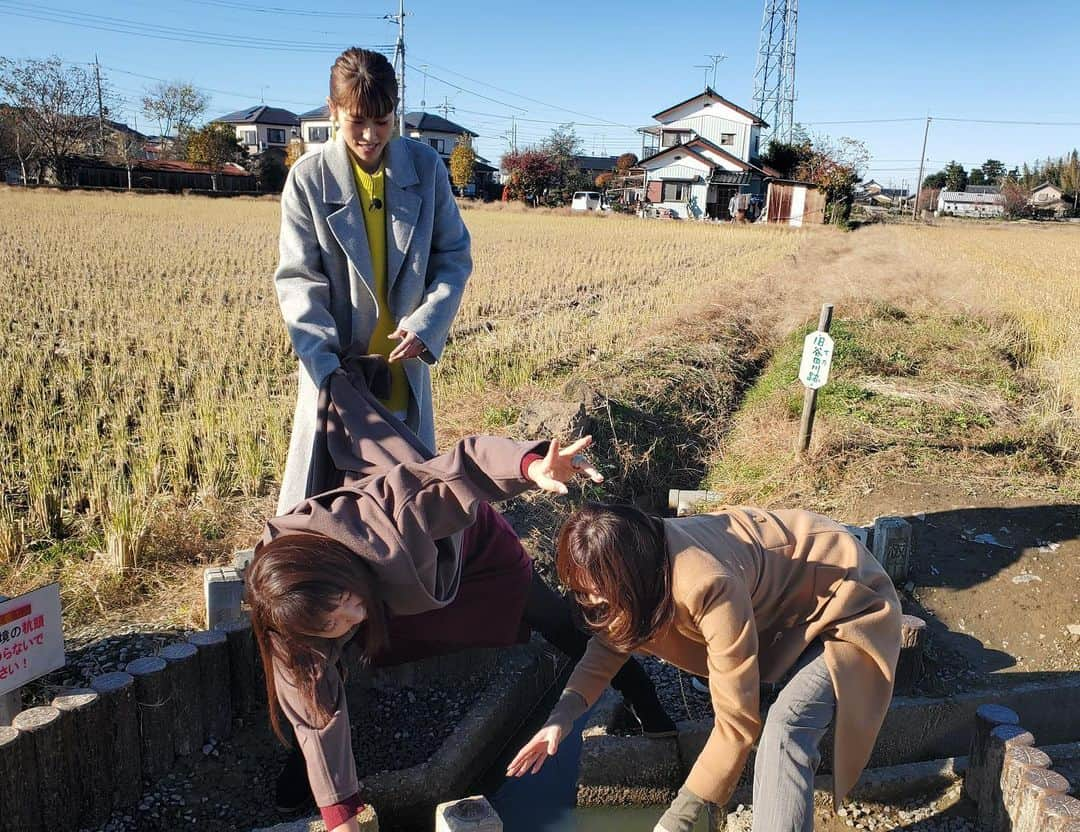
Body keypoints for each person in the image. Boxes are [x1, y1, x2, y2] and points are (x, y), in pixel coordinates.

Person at [246, 377, 677, 832]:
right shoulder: (289, 606)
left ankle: (646, 702)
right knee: (320, 676)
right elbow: (309, 695)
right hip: (392, 588)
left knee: (558, 621)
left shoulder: (390, 515)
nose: (350, 621)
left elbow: (463, 466)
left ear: (344, 575)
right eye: (332, 624)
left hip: (468, 549)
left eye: (347, 606)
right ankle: (307, 781)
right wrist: (342, 814)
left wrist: (530, 466)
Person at [508, 502, 902, 832]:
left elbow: (736, 723)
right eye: (581, 592)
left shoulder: (707, 585)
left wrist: (677, 820)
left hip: (845, 597)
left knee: (787, 726)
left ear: (629, 580)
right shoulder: (639, 559)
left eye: (598, 593)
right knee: (775, 729)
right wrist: (562, 717)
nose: (591, 601)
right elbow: (609, 646)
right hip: (788, 609)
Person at [274, 46, 472, 513]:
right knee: (333, 508)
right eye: (356, 121)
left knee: (406, 508)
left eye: (382, 122)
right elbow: (299, 280)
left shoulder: (425, 169)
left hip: (403, 369)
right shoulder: (308, 179)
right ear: (333, 110)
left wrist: (427, 325)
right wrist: (326, 369)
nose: (369, 135)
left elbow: (453, 256)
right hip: (340, 378)